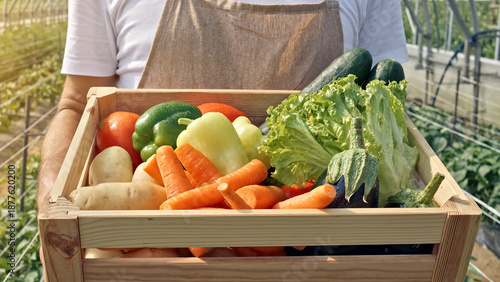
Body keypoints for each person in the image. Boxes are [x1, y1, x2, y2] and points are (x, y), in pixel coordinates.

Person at [37, 0, 408, 213]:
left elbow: (385, 108)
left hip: (313, 236)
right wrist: (50, 189)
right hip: (148, 230)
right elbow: (74, 103)